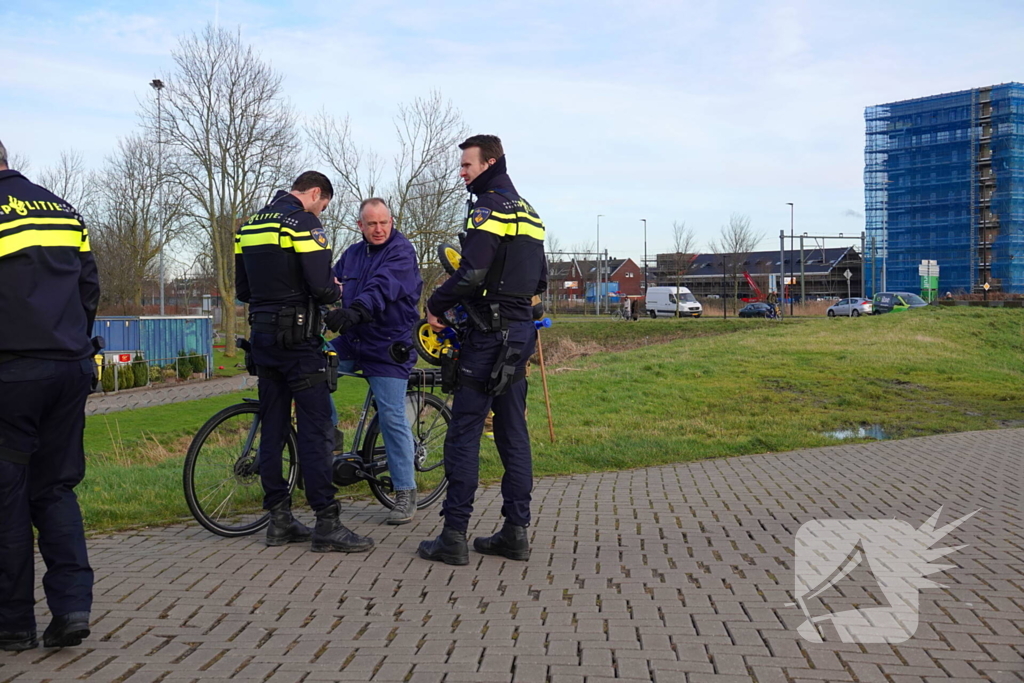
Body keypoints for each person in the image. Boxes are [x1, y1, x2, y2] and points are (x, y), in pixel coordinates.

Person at [418, 135, 547, 565]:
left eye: (467, 165)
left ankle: (453, 536)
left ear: (490, 163)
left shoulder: (488, 208)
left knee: (464, 434)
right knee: (513, 435)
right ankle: (516, 533)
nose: (462, 173)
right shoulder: (530, 213)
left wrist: (436, 303)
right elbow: (540, 282)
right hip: (520, 336)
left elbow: (472, 273)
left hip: (487, 338)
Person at [236, 171, 373, 553]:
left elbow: (243, 289)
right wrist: (335, 290)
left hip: (263, 339)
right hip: (299, 342)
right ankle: (327, 521)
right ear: (315, 193)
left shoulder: (250, 226)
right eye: (323, 206)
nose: (321, 213)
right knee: (316, 430)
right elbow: (322, 287)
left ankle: (279, 519)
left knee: (273, 427)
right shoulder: (303, 223)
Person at [0, 140, 100, 651]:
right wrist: (72, 339)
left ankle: (14, 623)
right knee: (56, 488)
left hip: (12, 372)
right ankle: (72, 609)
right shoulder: (62, 209)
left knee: (8, 497)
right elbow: (89, 287)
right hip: (70, 366)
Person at [325, 198, 423, 525]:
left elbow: (382, 288)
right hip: (353, 339)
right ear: (360, 226)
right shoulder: (352, 255)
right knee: (314, 367)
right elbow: (331, 285)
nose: (379, 229)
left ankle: (405, 491)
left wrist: (355, 311)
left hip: (388, 344)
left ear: (391, 222)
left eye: (384, 222)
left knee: (391, 415)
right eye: (372, 224)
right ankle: (330, 435)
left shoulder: (401, 252)